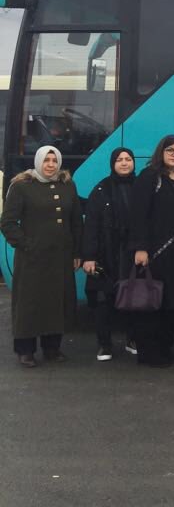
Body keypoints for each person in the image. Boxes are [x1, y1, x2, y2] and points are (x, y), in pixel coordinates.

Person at [1, 146, 82, 367]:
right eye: (46, 160)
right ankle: (25, 350)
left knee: (56, 303)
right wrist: (27, 245)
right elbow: (7, 222)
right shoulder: (22, 186)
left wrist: (77, 252)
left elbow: (76, 221)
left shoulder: (68, 185)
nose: (50, 165)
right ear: (38, 161)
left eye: (54, 160)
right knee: (29, 304)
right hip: (32, 259)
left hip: (61, 257)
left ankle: (51, 348)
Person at [128, 134, 174, 368]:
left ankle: (165, 348)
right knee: (151, 304)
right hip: (155, 253)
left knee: (170, 303)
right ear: (161, 151)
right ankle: (149, 354)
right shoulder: (149, 177)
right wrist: (140, 247)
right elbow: (138, 214)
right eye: (170, 150)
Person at [82, 147, 136, 361]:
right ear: (112, 164)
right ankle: (104, 345)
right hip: (106, 254)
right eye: (119, 160)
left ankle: (133, 339)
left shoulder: (141, 186)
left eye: (128, 159)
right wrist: (89, 256)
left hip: (132, 253)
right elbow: (91, 225)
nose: (124, 163)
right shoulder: (101, 189)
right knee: (104, 301)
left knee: (134, 298)